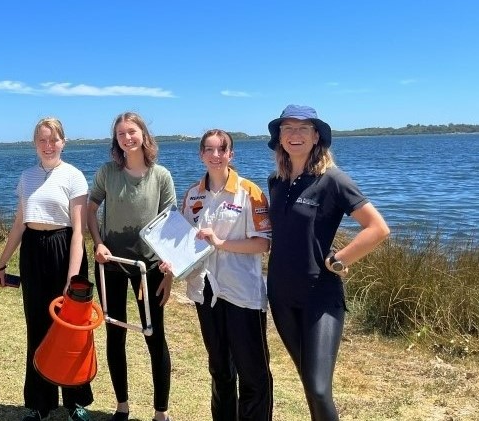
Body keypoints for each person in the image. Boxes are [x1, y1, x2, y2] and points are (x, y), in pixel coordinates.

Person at [266, 105, 389, 421]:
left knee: (320, 388)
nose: (294, 135)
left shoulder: (333, 180)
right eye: (288, 128)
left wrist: (338, 259)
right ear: (279, 137)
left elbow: (377, 228)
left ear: (316, 136)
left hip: (320, 296)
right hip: (280, 294)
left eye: (303, 128)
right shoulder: (276, 182)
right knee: (308, 382)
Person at [162, 129, 273, 420]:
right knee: (220, 369)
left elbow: (264, 242)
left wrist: (222, 243)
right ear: (201, 154)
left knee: (253, 374)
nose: (215, 155)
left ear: (230, 155)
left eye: (221, 150)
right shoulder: (192, 194)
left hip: (242, 293)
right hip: (204, 290)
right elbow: (183, 243)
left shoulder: (250, 192)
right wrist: (171, 263)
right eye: (209, 150)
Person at [0, 117, 93, 421]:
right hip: (33, 252)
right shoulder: (26, 177)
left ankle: (76, 403)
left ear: (63, 141)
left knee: (70, 331)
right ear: (35, 143)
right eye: (42, 140)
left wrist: (73, 276)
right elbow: (19, 224)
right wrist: (2, 261)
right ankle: (40, 404)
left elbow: (79, 231)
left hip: (65, 251)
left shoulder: (74, 176)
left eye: (53, 139)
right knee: (37, 328)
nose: (48, 146)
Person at [87, 112, 175, 421]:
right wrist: (98, 242)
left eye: (132, 131)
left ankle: (160, 412)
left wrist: (169, 268)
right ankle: (122, 406)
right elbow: (91, 209)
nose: (127, 137)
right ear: (117, 140)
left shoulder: (161, 176)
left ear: (143, 135)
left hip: (147, 268)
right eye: (121, 134)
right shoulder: (108, 172)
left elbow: (170, 225)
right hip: (111, 264)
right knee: (115, 334)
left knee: (155, 336)